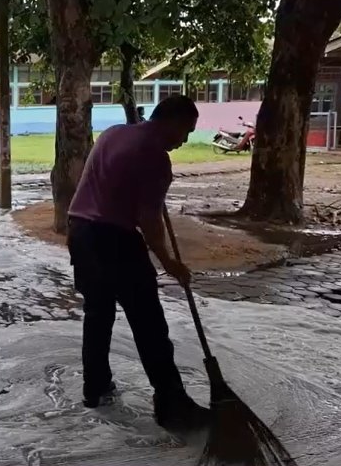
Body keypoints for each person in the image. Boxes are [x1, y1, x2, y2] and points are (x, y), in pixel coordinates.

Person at [67, 95, 209, 433]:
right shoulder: (156, 159)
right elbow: (149, 220)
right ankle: (172, 405)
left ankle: (96, 390)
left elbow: (116, 187)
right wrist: (169, 263)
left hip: (80, 232)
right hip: (114, 238)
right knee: (149, 324)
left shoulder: (114, 133)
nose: (184, 141)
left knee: (98, 316)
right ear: (171, 121)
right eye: (185, 131)